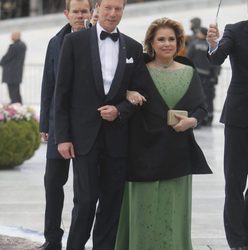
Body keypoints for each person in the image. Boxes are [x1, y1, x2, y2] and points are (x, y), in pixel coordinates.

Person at [54, 0, 148, 249]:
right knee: (85, 201)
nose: (113, 13)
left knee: (111, 203)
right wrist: (62, 137)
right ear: (97, 8)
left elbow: (141, 93)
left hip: (117, 139)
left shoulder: (134, 48)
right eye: (108, 7)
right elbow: (61, 92)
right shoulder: (74, 42)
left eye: (118, 8)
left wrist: (120, 110)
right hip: (84, 138)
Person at [114, 17, 212, 250]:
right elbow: (117, 91)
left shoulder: (190, 71)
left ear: (179, 42)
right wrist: (127, 92)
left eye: (172, 39)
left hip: (177, 154)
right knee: (143, 212)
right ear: (151, 43)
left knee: (172, 212)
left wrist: (192, 121)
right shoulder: (138, 69)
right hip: (142, 153)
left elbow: (201, 108)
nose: (167, 43)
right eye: (161, 39)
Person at [38, 0, 93, 249]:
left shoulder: (97, 40)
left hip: (87, 128)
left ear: (91, 12)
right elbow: (48, 84)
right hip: (58, 126)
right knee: (52, 183)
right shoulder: (55, 42)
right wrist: (44, 125)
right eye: (75, 11)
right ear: (66, 14)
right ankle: (52, 240)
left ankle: (76, 242)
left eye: (84, 11)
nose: (80, 16)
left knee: (84, 191)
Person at [207, 1, 248, 249]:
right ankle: (237, 241)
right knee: (235, 180)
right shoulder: (234, 29)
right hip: (239, 116)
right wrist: (213, 43)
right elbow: (216, 58)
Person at [187, 27, 221, 126]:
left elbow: (188, 58)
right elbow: (216, 63)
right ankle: (208, 118)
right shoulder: (211, 45)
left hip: (196, 75)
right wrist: (214, 76)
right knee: (208, 98)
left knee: (197, 97)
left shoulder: (194, 44)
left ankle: (199, 119)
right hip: (208, 76)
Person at [0, 31, 26, 104]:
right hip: (17, 73)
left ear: (16, 36)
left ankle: (16, 109)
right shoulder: (23, 45)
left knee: (13, 94)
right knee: (16, 93)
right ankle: (19, 107)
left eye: (12, 35)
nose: (11, 37)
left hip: (11, 74)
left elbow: (6, 58)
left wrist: (1, 62)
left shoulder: (13, 46)